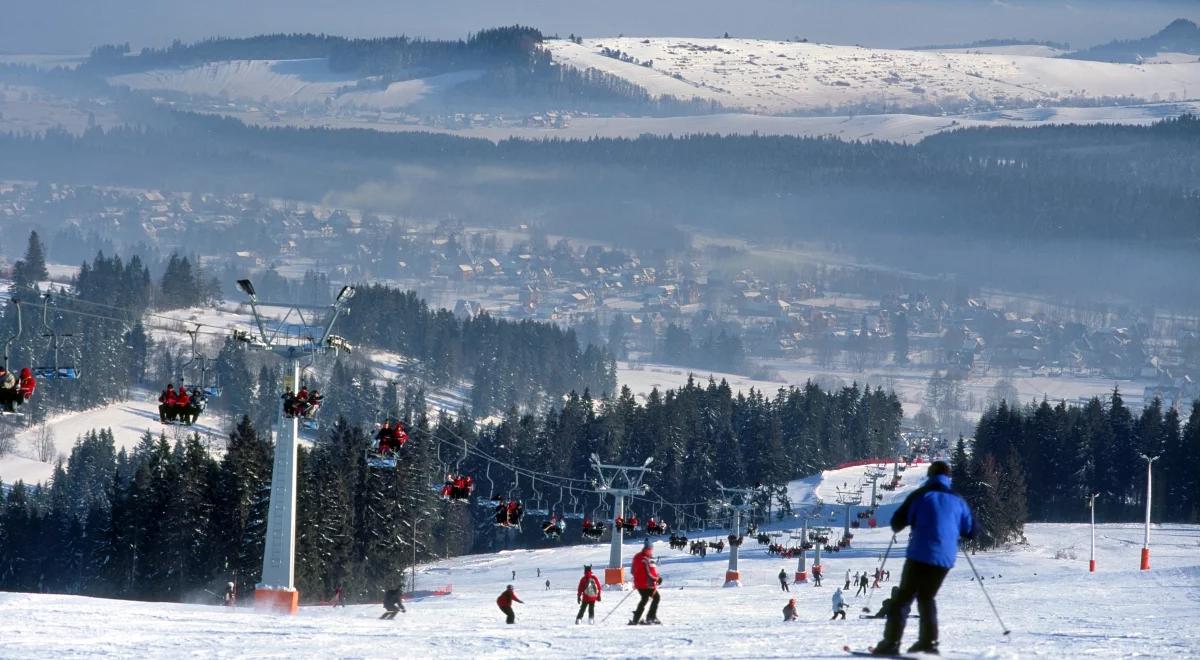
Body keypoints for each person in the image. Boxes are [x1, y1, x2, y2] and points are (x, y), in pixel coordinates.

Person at [872, 460, 976, 656]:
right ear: (948, 478)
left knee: (904, 598)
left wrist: (909, 523)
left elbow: (897, 522)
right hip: (944, 559)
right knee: (927, 597)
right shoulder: (958, 499)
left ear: (930, 475)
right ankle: (929, 642)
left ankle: (891, 642)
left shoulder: (920, 495)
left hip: (920, 554)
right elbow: (971, 531)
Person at [629, 538, 662, 625]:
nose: (651, 551)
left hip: (642, 584)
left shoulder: (641, 557)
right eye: (650, 550)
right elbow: (649, 573)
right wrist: (657, 579)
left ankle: (637, 618)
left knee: (645, 599)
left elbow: (632, 571)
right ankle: (650, 617)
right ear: (647, 549)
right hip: (646, 584)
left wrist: (657, 577)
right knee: (656, 598)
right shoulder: (644, 559)